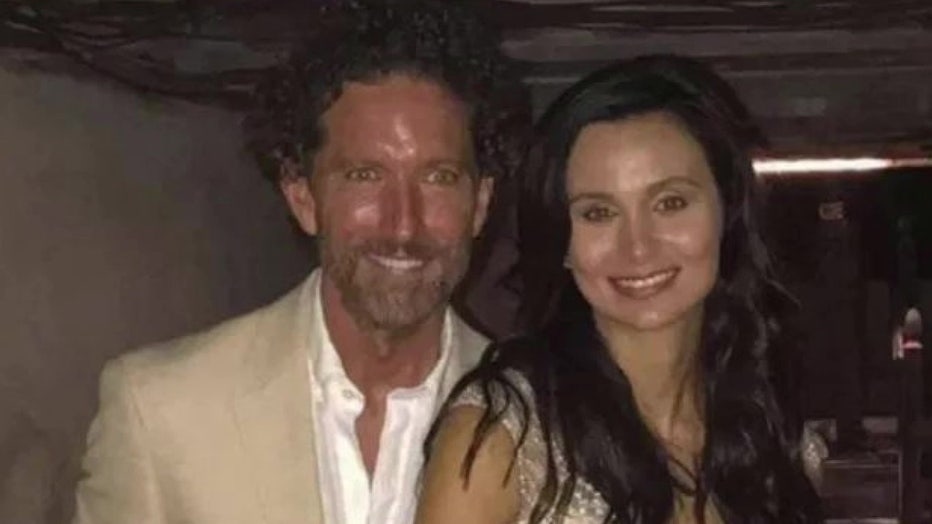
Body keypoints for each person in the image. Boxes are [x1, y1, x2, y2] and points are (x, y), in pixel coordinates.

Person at [71, 1, 528, 523]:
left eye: (438, 177)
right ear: (302, 196)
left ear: (481, 203)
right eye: (364, 176)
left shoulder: (539, 420)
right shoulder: (157, 409)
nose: (403, 225)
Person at [417, 55, 823, 523]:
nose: (638, 247)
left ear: (726, 211)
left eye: (670, 203)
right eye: (598, 213)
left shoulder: (775, 436)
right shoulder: (501, 440)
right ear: (560, 240)